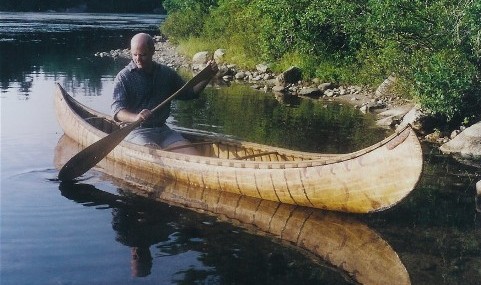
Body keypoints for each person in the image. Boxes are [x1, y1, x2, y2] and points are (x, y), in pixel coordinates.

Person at [112, 33, 218, 155]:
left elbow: (190, 93)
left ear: (152, 51)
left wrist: (208, 76)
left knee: (194, 155)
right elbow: (117, 112)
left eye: (143, 55)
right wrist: (136, 117)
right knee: (156, 155)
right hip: (135, 131)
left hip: (163, 130)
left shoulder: (166, 74)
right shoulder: (124, 77)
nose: (138, 59)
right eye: (134, 55)